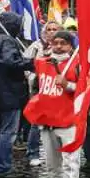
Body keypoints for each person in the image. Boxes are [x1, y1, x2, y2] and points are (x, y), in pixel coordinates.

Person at [22, 31, 81, 178]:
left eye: (62, 43)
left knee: (70, 164)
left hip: (69, 122)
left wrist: (69, 85)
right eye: (55, 43)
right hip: (47, 122)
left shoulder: (77, 63)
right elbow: (36, 83)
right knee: (52, 164)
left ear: (70, 46)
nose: (57, 46)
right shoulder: (43, 62)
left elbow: (86, 90)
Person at [0, 12, 35, 178]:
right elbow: (11, 63)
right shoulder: (6, 41)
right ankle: (2, 169)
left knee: (1, 131)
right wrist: (32, 63)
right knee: (8, 132)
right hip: (9, 92)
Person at [19, 20, 60, 166]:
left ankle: (57, 153)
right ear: (45, 31)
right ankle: (33, 153)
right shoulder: (36, 46)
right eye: (49, 29)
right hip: (39, 89)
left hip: (57, 89)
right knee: (37, 122)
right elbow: (24, 63)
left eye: (55, 29)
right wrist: (31, 76)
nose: (52, 32)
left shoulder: (63, 46)